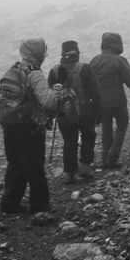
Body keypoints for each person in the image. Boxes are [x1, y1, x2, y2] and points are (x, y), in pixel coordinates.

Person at [0, 38, 61, 214]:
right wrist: (56, 91)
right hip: (30, 127)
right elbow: (48, 102)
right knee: (34, 165)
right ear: (38, 53)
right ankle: (40, 204)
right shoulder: (34, 74)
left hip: (10, 125)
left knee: (15, 164)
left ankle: (9, 204)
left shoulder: (13, 69)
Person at [47, 40, 102, 184]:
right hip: (85, 111)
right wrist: (99, 112)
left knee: (69, 142)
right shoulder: (85, 68)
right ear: (77, 52)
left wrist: (50, 116)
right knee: (88, 136)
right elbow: (95, 92)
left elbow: (50, 95)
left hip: (64, 114)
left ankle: (70, 172)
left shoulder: (54, 71)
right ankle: (85, 166)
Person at [89, 31, 130, 168]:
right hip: (118, 102)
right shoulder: (120, 61)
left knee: (106, 127)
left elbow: (89, 84)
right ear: (117, 45)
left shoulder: (94, 61)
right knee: (122, 125)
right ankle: (113, 158)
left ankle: (105, 157)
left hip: (100, 103)